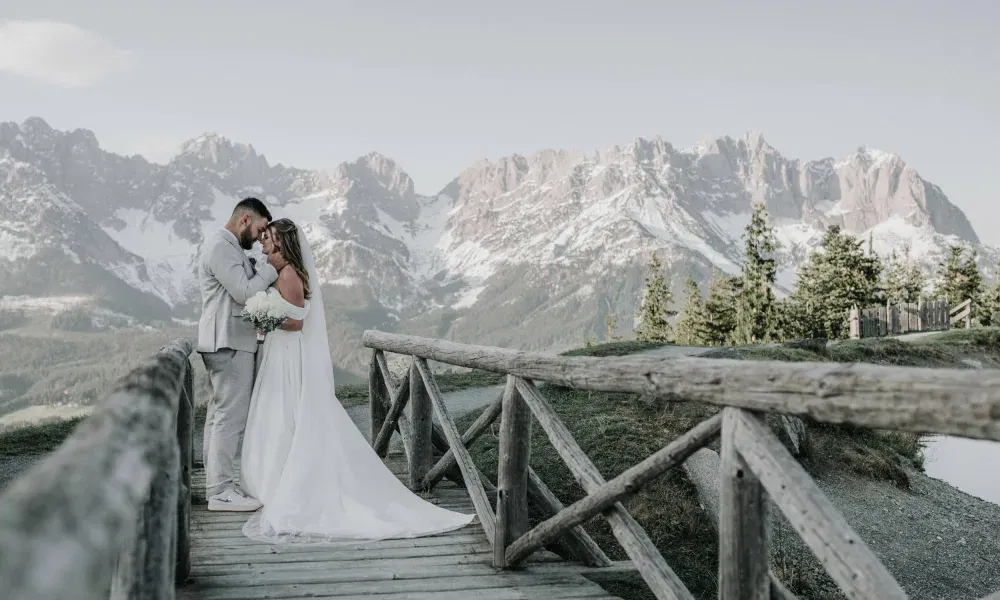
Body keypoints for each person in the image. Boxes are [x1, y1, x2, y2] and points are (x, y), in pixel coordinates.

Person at [239, 218, 474, 543]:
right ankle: (276, 478)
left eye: (270, 239)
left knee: (288, 415)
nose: (265, 243)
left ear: (283, 243)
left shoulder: (290, 274)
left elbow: (296, 324)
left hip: (289, 355)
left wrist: (266, 317)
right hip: (280, 355)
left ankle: (289, 481)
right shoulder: (282, 273)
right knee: (279, 415)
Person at [196, 197, 279, 511]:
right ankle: (220, 491)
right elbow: (244, 293)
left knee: (220, 415)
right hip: (228, 341)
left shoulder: (226, 246)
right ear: (245, 219)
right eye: (259, 229)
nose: (259, 238)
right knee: (230, 417)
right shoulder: (221, 246)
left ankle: (215, 483)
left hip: (225, 340)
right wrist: (271, 269)